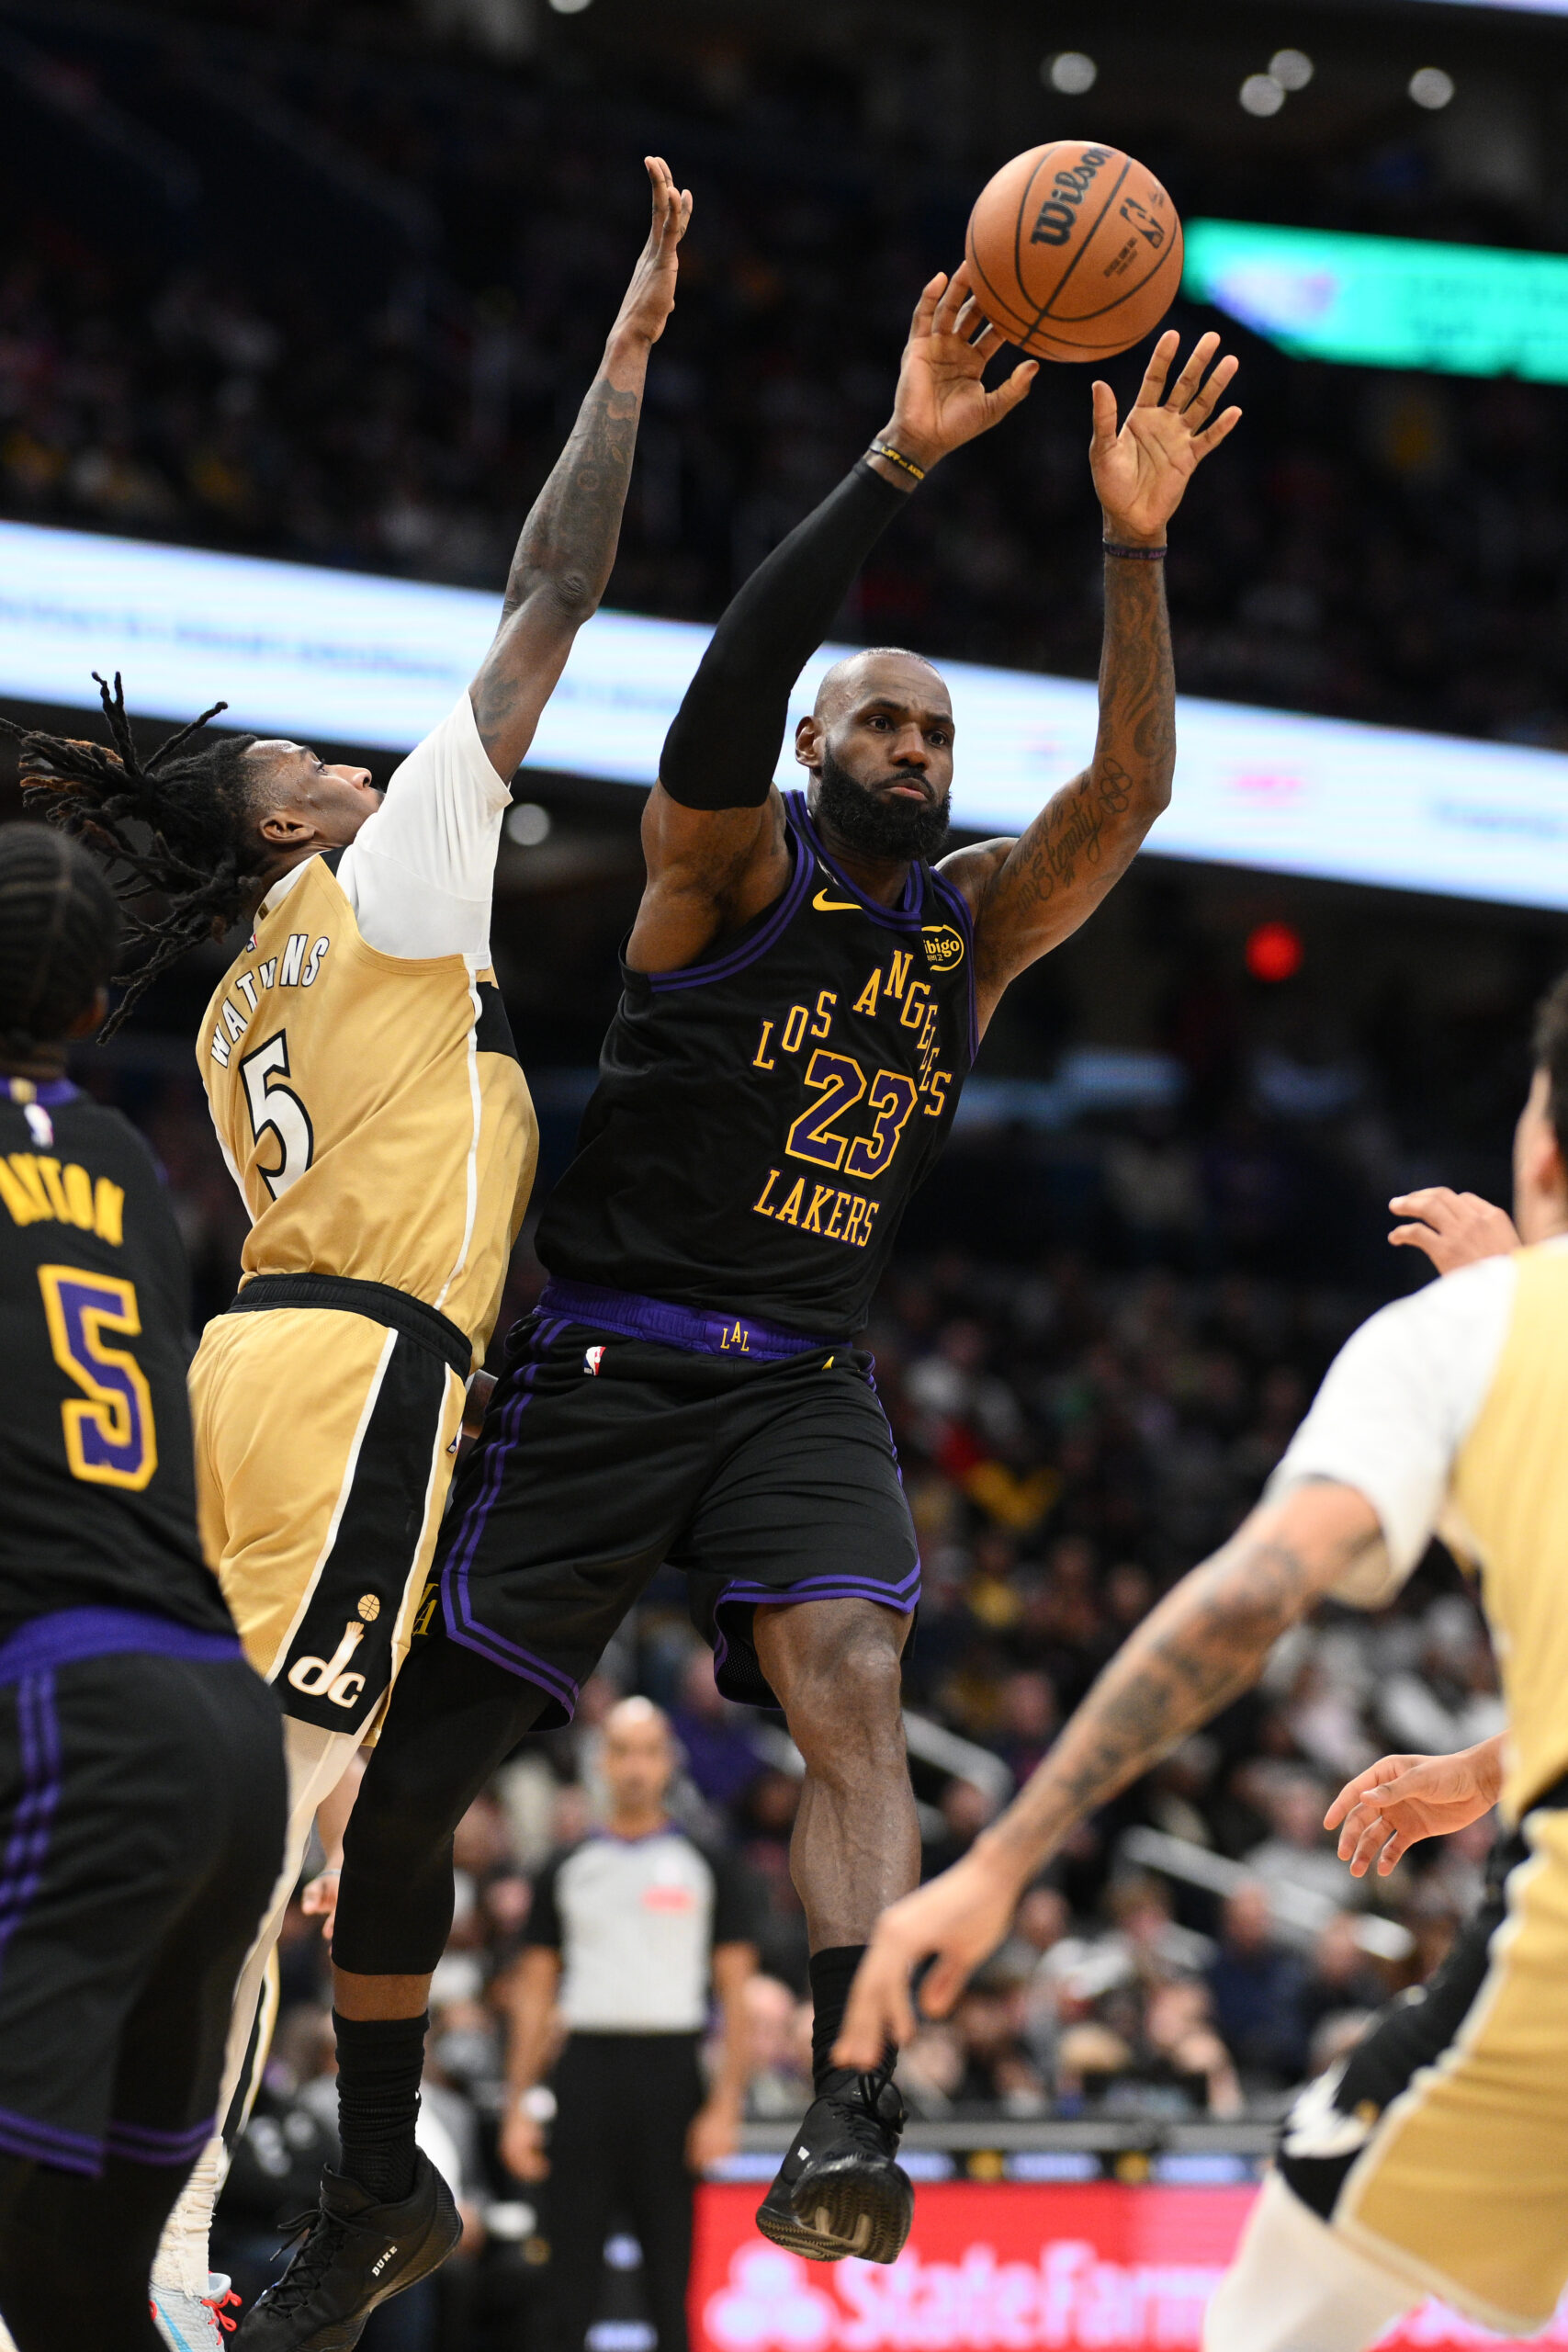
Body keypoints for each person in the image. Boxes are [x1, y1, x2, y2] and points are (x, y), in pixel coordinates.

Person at [252, 266, 1241, 2341]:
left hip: (796, 1375)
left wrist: (1128, 553)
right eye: (881, 718)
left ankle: (847, 2112)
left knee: (856, 1685)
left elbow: (1126, 798)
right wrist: (895, 456)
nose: (914, 745)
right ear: (815, 745)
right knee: (419, 1779)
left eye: (938, 728)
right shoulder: (720, 864)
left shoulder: (964, 925)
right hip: (601, 1352)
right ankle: (369, 2179)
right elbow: (711, 708)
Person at [4, 158, 691, 2351]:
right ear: (288, 821)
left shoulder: (217, 1012)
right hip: (356, 1386)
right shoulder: (392, 877)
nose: (330, 755)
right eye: (296, 758)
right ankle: (154, 2259)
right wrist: (622, 365)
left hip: (242, 1375)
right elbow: (544, 600)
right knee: (264, 1827)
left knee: (192, 1807)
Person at [838, 968, 1568, 2349]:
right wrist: (1484, 1768)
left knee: (1270, 2321)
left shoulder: (1464, 1334)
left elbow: (1252, 1597)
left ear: (1536, 1153)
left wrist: (999, 1862)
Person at [0, 824, 287, 2352]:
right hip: (221, 1736)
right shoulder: (118, 1159)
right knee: (77, 2299)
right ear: (91, 997)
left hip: (77, 1716)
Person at [496, 1699, 757, 2352]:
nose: (635, 1767)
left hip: (672, 2077)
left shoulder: (709, 1864)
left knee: (670, 2280)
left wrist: (725, 2105)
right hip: (584, 2073)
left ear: (668, 1761)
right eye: (621, 1751)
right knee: (569, 2280)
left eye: (648, 1751)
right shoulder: (563, 1867)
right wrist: (517, 2108)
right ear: (601, 1762)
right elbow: (533, 1998)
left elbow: (737, 1996)